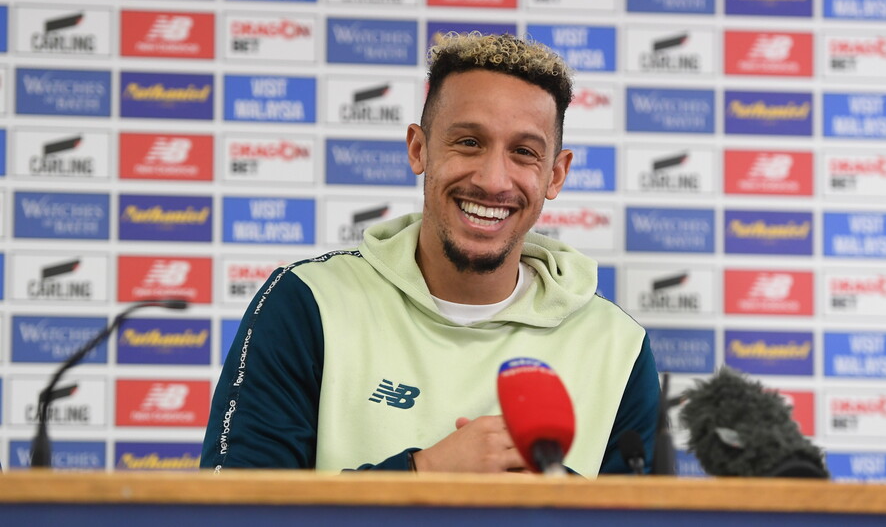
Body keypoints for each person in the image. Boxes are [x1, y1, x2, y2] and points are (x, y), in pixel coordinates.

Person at [201, 32, 660, 477]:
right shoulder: (308, 303)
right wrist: (424, 472)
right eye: (468, 142)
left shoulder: (618, 347)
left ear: (555, 175)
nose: (494, 180)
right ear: (419, 148)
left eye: (523, 152)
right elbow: (234, 508)